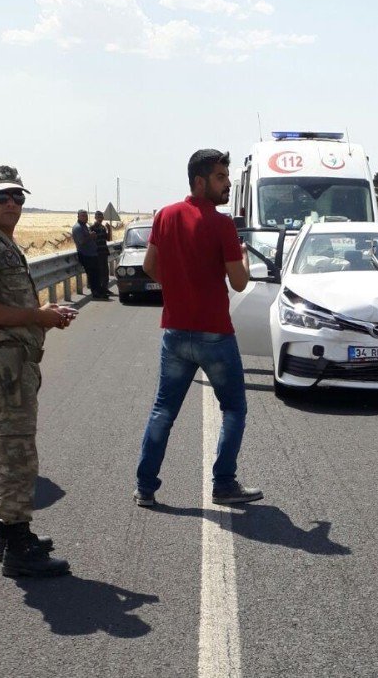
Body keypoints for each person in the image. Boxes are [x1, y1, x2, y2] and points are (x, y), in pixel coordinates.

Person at [0, 165, 77, 577]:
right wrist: (38, 317)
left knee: (6, 457)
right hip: (0, 367)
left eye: (18, 197)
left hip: (14, 364)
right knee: (18, 458)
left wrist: (42, 317)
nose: (12, 204)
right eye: (2, 196)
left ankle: (10, 538)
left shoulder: (2, 242)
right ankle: (18, 545)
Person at [134, 149, 262, 508]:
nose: (228, 183)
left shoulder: (165, 215)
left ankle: (145, 488)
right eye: (221, 177)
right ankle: (224, 484)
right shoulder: (221, 225)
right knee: (234, 408)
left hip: (175, 332)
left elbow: (149, 267)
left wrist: (179, 285)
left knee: (163, 411)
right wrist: (244, 258)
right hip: (214, 333)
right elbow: (238, 283)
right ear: (200, 181)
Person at [72, 209, 106, 299]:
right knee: (92, 275)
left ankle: (99, 291)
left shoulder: (85, 226)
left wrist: (92, 237)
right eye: (83, 216)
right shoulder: (78, 227)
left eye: (86, 215)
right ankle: (95, 293)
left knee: (96, 274)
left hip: (92, 254)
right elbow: (81, 242)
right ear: (78, 217)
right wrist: (90, 236)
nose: (85, 217)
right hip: (85, 255)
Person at [90, 210, 113, 299]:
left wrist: (109, 229)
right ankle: (101, 290)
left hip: (104, 252)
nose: (100, 219)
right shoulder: (92, 227)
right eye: (98, 217)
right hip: (97, 253)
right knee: (99, 272)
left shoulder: (103, 227)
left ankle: (105, 288)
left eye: (101, 217)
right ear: (95, 218)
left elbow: (109, 239)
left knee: (105, 272)